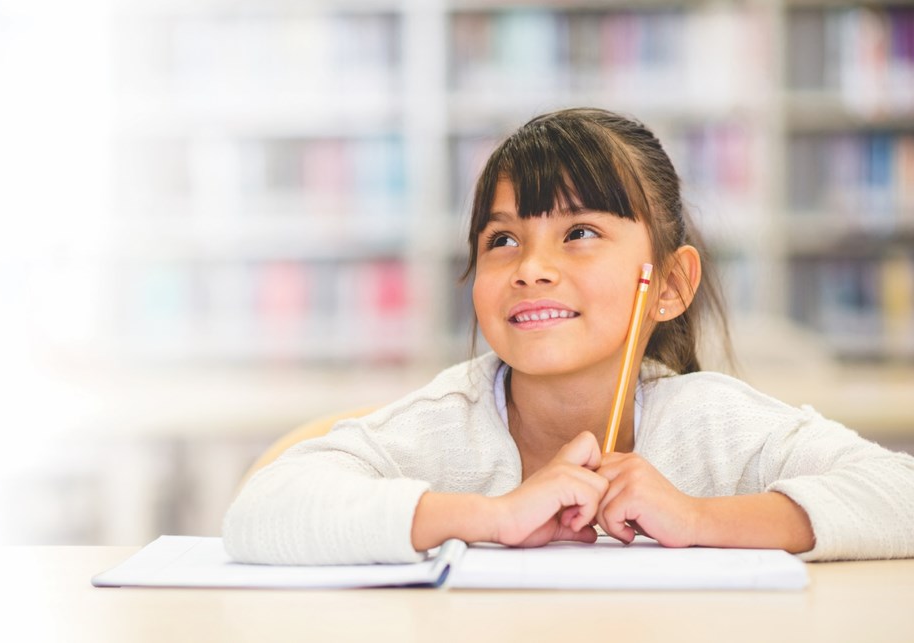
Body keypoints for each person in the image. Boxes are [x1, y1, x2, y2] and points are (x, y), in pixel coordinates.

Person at [223, 107, 914, 565]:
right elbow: (260, 511)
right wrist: (492, 515)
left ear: (668, 285)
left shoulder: (713, 424)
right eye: (502, 240)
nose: (532, 269)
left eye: (580, 233)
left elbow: (900, 494)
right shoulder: (441, 429)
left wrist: (700, 516)